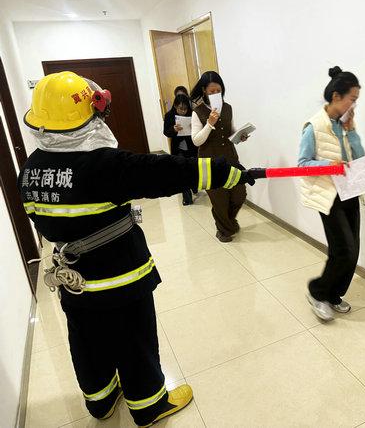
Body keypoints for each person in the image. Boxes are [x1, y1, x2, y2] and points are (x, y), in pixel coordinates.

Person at [19, 71, 253, 426]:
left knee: (87, 343)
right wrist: (226, 172)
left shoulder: (30, 170)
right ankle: (148, 406)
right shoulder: (102, 165)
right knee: (133, 341)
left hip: (74, 282)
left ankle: (100, 401)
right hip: (120, 278)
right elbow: (166, 172)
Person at [299, 66, 365, 322]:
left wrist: (351, 130)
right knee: (344, 249)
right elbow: (302, 165)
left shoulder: (344, 124)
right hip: (328, 196)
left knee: (352, 250)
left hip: (350, 192)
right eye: (352, 99)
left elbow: (359, 158)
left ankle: (334, 294)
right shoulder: (313, 127)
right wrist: (330, 166)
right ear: (337, 96)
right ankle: (317, 292)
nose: (354, 104)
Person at [190, 71, 249, 243]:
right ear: (204, 91)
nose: (216, 94)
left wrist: (240, 136)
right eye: (212, 91)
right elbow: (196, 140)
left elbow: (230, 133)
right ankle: (223, 230)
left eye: (219, 90)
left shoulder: (228, 108)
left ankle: (228, 223)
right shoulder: (198, 112)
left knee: (239, 193)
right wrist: (209, 124)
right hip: (209, 162)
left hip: (230, 158)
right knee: (219, 198)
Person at [163, 93, 198, 205]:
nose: (183, 111)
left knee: (193, 168)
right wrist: (173, 129)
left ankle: (194, 187)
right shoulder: (169, 115)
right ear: (175, 106)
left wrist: (194, 127)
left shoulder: (192, 114)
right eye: (180, 108)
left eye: (185, 108)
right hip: (178, 148)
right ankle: (187, 198)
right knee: (182, 171)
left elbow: (198, 129)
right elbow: (166, 132)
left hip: (192, 147)